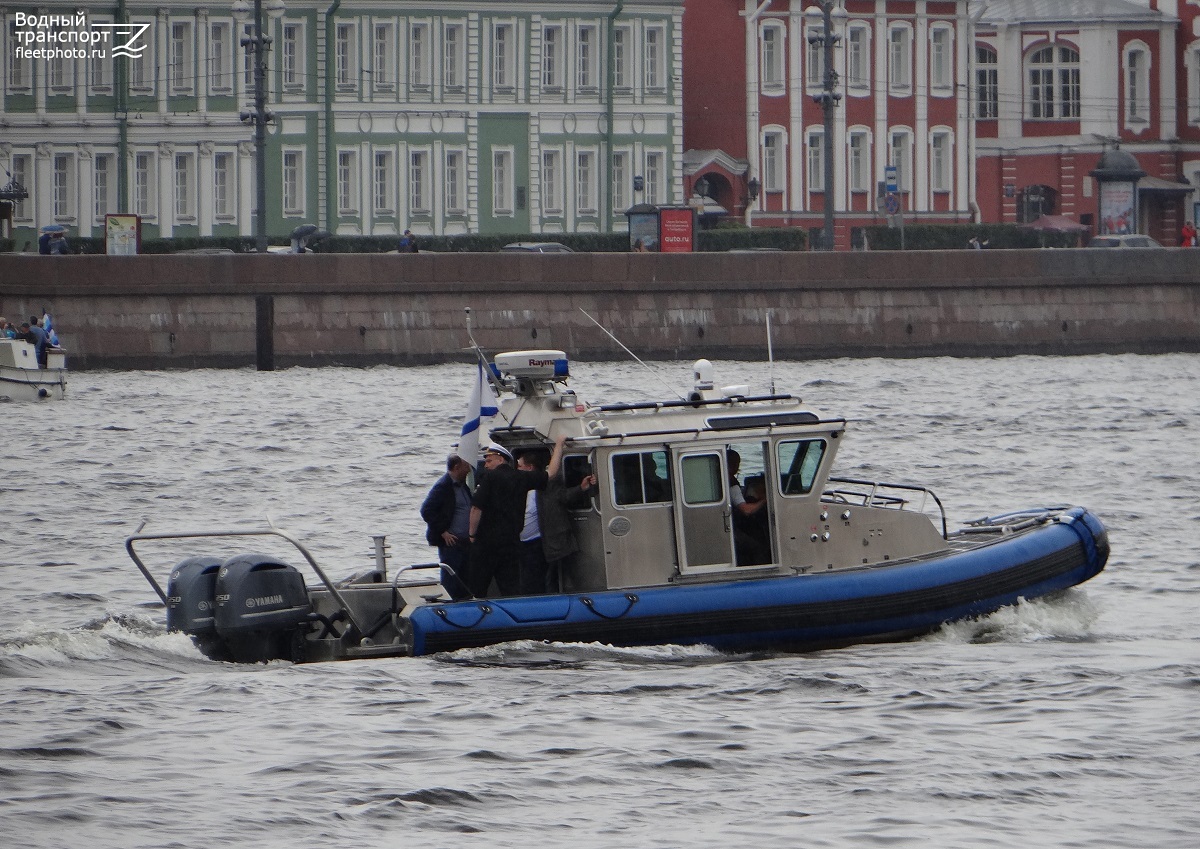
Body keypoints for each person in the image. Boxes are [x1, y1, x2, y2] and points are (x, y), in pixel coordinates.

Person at [467, 436, 565, 597]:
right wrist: (559, 445)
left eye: (489, 461)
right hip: (511, 543)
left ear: (500, 459)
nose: (485, 465)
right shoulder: (521, 477)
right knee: (510, 588)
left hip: (486, 544)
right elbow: (551, 474)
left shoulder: (489, 478)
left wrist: (471, 534)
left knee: (478, 586)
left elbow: (476, 508)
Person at [514, 449, 596, 594]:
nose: (517, 469)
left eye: (519, 466)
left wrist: (582, 488)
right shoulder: (517, 486)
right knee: (529, 579)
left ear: (530, 468)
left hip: (545, 541)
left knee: (552, 577)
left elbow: (564, 496)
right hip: (523, 544)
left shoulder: (546, 485)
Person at [419, 454, 474, 599]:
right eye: (466, 466)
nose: (469, 470)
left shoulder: (463, 486)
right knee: (451, 579)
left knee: (465, 580)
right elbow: (426, 510)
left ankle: (464, 605)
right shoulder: (443, 486)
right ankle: (450, 605)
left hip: (464, 542)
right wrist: (442, 532)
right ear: (457, 467)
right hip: (451, 543)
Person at [727, 449, 769, 566]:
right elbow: (746, 510)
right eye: (736, 463)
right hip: (733, 529)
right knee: (757, 547)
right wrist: (764, 500)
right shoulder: (732, 486)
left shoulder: (723, 480)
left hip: (733, 525)